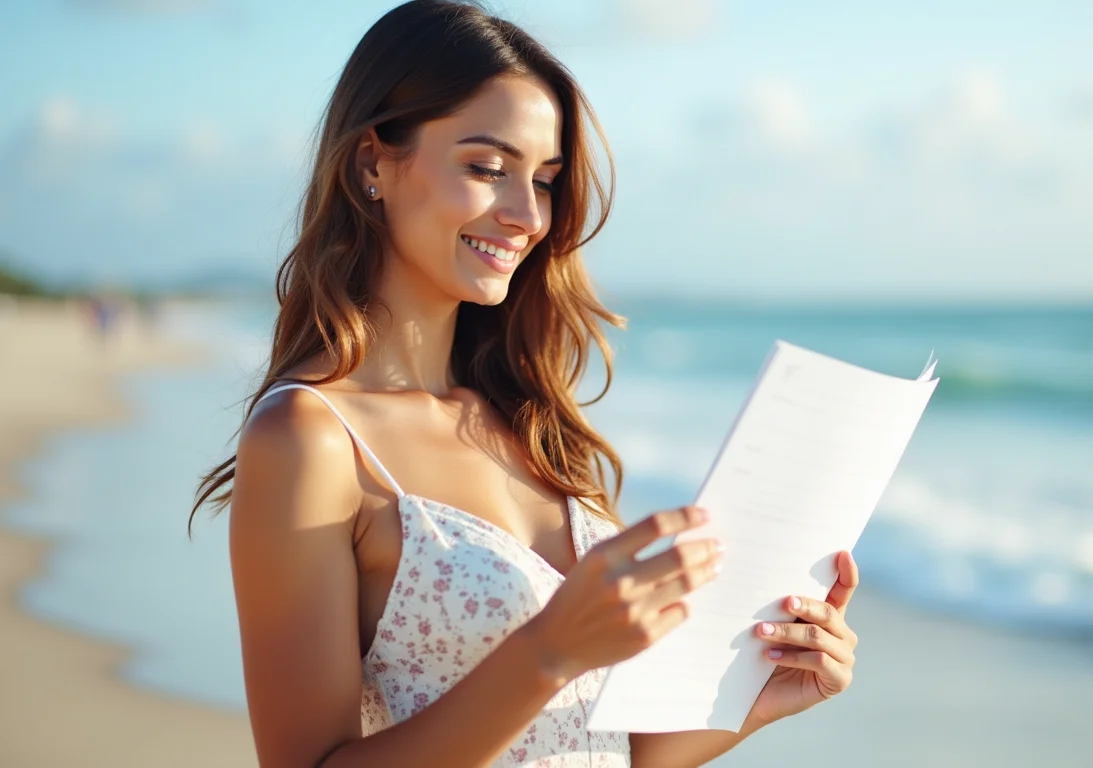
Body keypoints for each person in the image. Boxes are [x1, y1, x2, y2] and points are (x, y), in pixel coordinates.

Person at [191, 2, 859, 765]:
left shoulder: (524, 418)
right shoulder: (309, 439)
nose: (526, 215)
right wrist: (547, 651)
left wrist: (757, 700)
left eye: (543, 180)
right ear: (371, 163)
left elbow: (597, 745)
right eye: (486, 168)